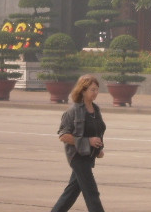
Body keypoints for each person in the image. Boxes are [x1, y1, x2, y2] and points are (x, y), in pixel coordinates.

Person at [50, 74, 107, 212]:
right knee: (91, 192)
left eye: (97, 89)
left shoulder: (96, 110)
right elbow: (63, 136)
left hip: (89, 156)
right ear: (83, 90)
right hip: (77, 156)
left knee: (71, 193)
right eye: (92, 90)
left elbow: (98, 130)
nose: (95, 93)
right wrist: (88, 141)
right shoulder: (73, 111)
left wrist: (98, 148)